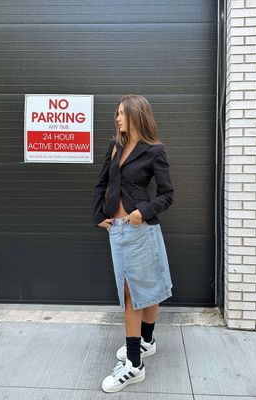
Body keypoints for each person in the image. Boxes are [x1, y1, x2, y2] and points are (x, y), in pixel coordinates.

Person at [92, 94, 174, 393]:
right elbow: (102, 183)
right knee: (135, 290)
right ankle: (146, 343)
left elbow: (167, 195)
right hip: (118, 230)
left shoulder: (155, 151)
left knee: (139, 291)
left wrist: (143, 212)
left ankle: (135, 363)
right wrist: (97, 215)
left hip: (140, 229)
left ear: (137, 115)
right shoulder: (115, 147)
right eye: (116, 113)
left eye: (122, 113)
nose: (117, 118)